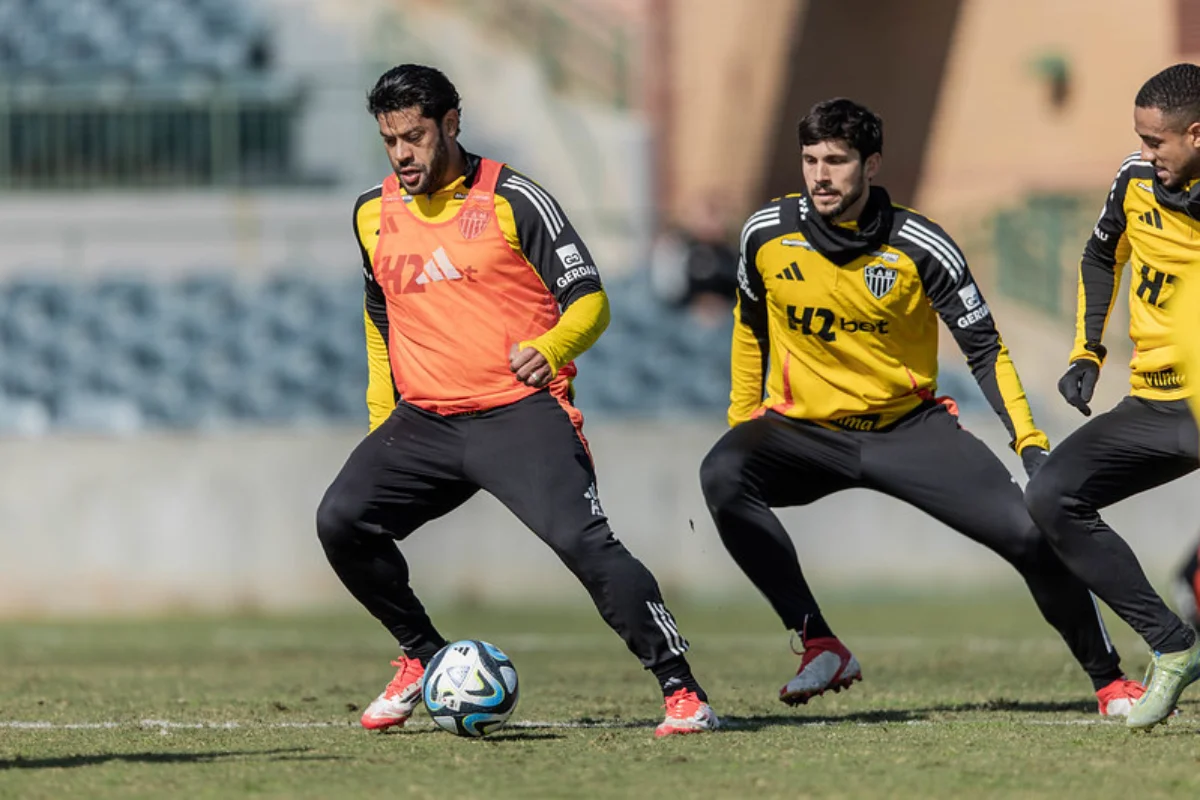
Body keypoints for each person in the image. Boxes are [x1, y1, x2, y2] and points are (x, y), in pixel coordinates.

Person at [699, 97, 1143, 715]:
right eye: (809, 160)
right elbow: (750, 328)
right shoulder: (766, 234)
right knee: (721, 474)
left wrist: (1031, 444)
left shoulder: (921, 245)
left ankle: (1111, 681)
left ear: (871, 163)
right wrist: (744, 417)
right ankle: (817, 642)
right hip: (802, 430)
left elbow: (985, 349)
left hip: (909, 430)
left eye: (836, 160)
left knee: (1029, 535)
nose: (820, 175)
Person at [316, 64, 718, 738]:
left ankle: (682, 689)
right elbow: (378, 317)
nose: (403, 154)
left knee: (582, 542)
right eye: (390, 141)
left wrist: (555, 346)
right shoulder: (370, 212)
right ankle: (421, 653)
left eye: (414, 136)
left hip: (518, 412)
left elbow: (591, 300)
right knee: (341, 521)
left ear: (451, 123)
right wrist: (380, 417)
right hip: (423, 422)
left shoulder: (516, 199)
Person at [1026, 64, 1200, 731]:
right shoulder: (1134, 181)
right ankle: (1172, 644)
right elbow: (1102, 257)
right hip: (1153, 407)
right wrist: (1086, 351)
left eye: (1157, 142)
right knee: (1049, 497)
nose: (1145, 154)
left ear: (1196, 133)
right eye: (1140, 139)